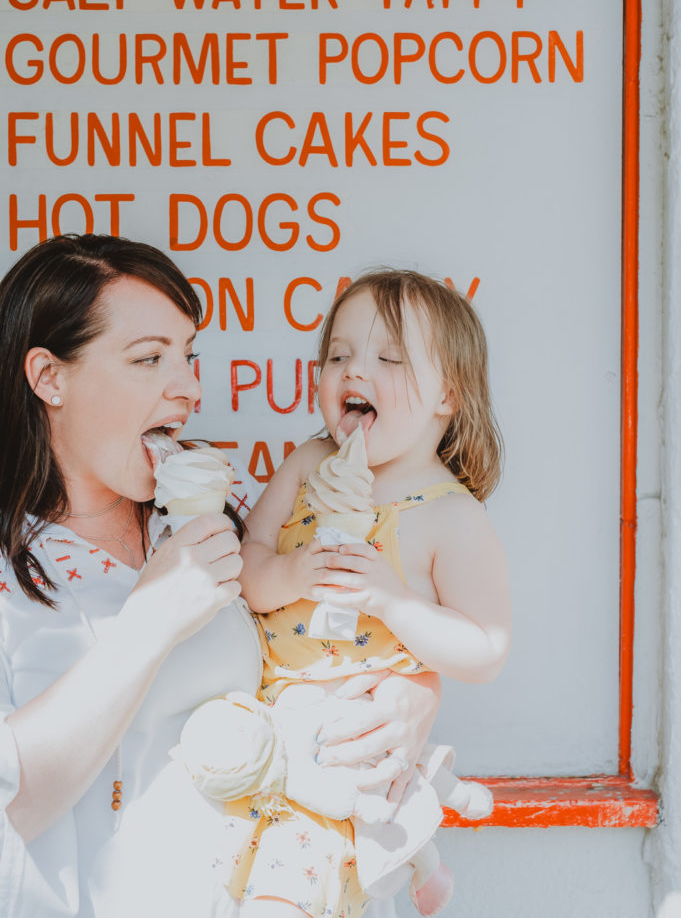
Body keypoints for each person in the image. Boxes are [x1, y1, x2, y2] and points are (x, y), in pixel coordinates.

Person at [0, 236, 440, 918]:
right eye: (149, 359)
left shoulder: (228, 510)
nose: (188, 387)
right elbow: (15, 806)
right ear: (49, 377)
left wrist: (413, 694)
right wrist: (150, 618)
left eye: (187, 356)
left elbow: (337, 639)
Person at [185, 270, 511, 918]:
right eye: (338, 355)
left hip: (348, 744)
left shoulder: (452, 516)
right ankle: (422, 860)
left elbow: (485, 648)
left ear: (448, 392)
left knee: (290, 886)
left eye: (388, 357)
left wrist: (393, 601)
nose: (354, 370)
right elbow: (246, 564)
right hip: (276, 717)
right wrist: (292, 573)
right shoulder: (309, 463)